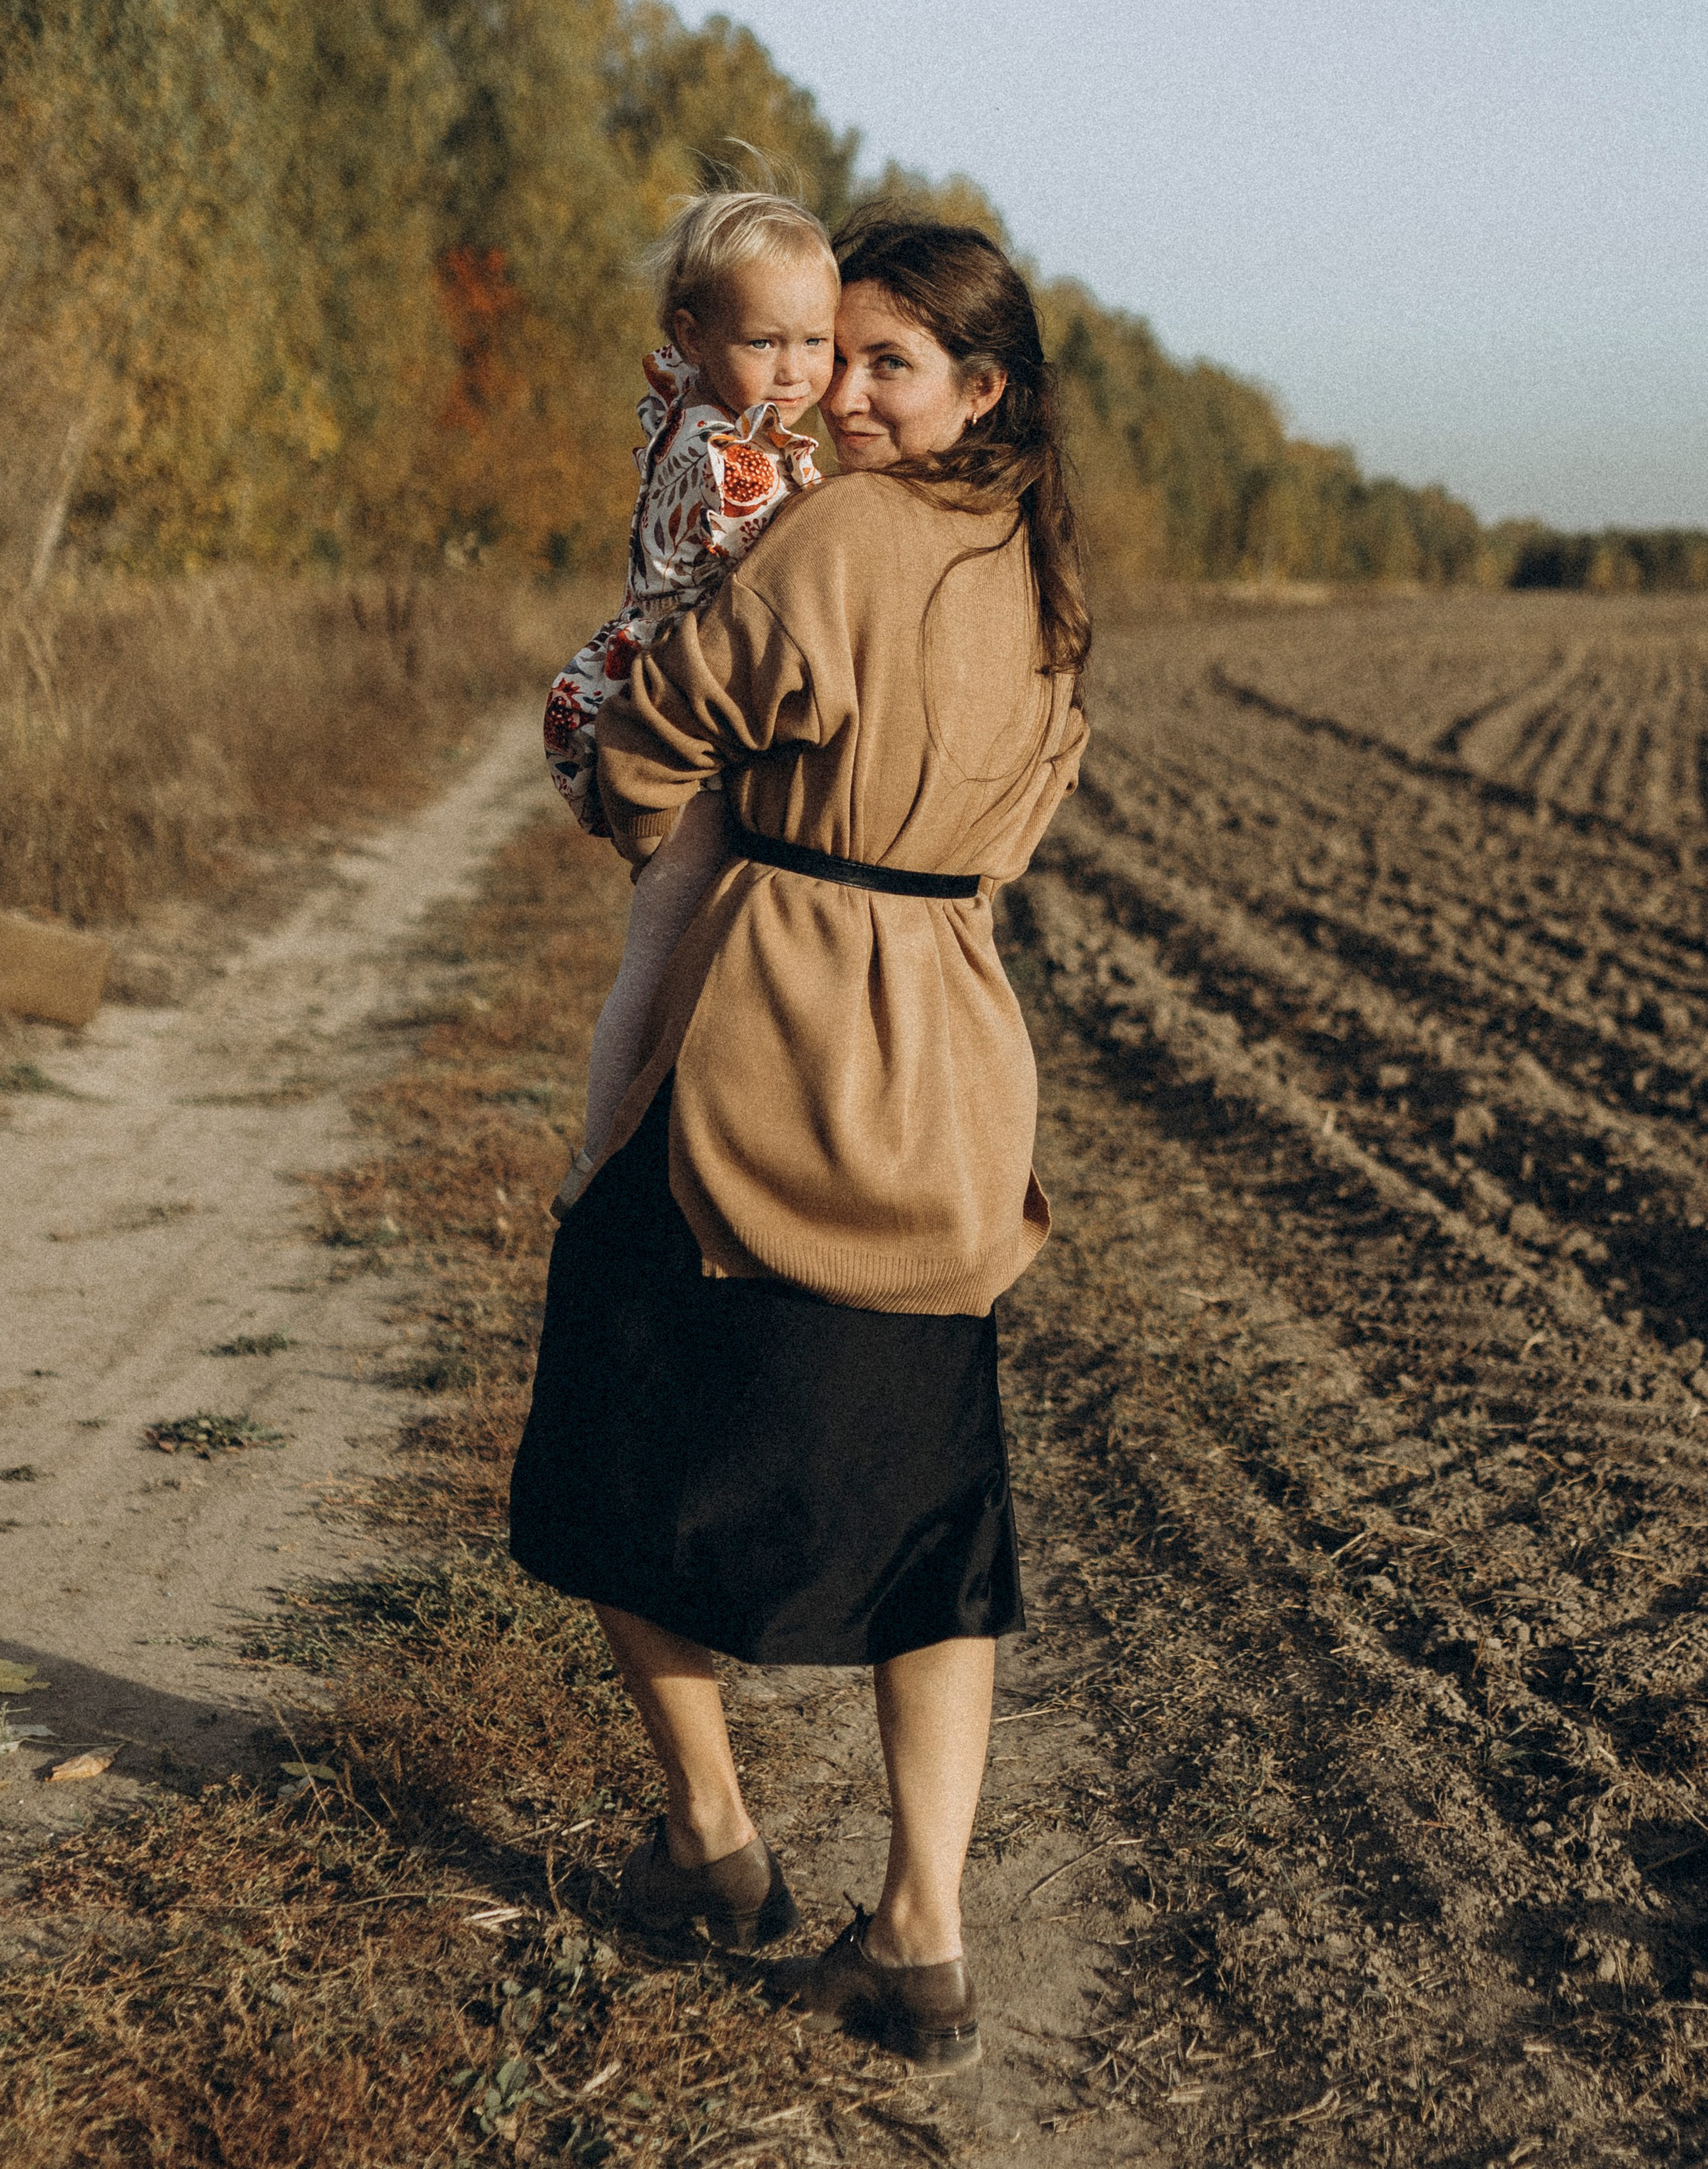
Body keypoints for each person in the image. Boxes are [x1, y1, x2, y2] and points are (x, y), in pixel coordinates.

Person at [508, 209, 1090, 2072]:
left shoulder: (837, 532)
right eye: (829, 356)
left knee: (602, 1423)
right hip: (953, 1084)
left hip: (780, 1046)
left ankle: (715, 1840)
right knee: (939, 1523)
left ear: (979, 387)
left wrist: (612, 770)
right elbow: (1003, 824)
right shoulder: (1043, 571)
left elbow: (659, 739)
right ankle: (921, 1935)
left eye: (885, 364)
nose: (838, 391)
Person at [543, 189, 836, 1213]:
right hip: (676, 718)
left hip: (681, 697)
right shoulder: (733, 464)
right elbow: (806, 572)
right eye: (766, 341)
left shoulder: (707, 411)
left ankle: (659, 1144)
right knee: (664, 943)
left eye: (817, 341)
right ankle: (598, 1156)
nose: (797, 369)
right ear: (693, 335)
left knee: (689, 940)